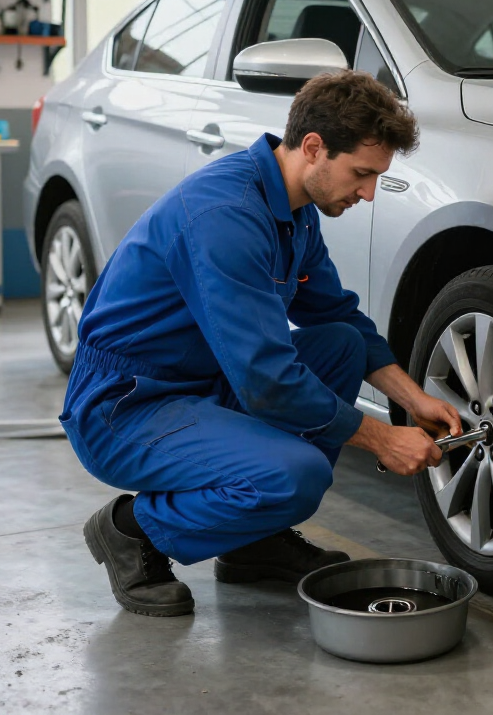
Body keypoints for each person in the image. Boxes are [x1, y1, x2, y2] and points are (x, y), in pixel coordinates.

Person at [60, 70, 461, 617]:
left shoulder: (293, 211)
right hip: (126, 405)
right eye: (362, 174)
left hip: (200, 384)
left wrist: (413, 400)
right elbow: (267, 381)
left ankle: (250, 540)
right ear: (314, 148)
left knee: (340, 343)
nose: (368, 194)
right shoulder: (227, 216)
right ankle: (133, 533)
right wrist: (382, 439)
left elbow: (335, 313)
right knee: (297, 474)